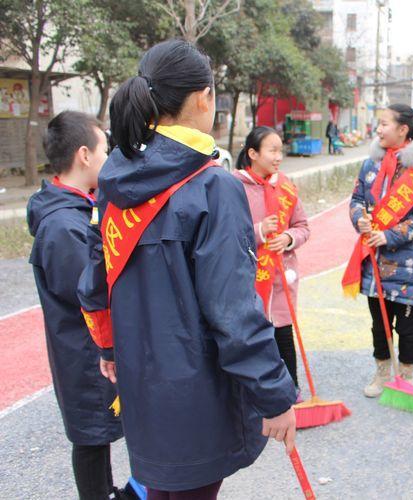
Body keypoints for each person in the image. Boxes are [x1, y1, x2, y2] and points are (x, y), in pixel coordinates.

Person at [77, 39, 297, 499]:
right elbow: (233, 310)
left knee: (159, 489)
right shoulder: (211, 186)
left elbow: (95, 283)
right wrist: (275, 395)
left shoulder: (115, 180)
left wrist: (109, 349)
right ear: (204, 97)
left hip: (140, 381)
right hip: (197, 392)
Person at [28, 111, 134, 500]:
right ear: (85, 155)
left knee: (95, 437)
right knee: (91, 438)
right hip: (84, 353)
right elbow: (88, 293)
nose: (109, 156)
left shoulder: (75, 208)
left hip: (88, 351)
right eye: (105, 148)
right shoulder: (63, 225)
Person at [342, 103, 413, 397]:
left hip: (408, 264)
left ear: (403, 130)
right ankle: (382, 372)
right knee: (378, 323)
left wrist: (388, 235)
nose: (379, 129)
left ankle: (407, 376)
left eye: (385, 123)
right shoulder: (370, 165)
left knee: (407, 325)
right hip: (374, 261)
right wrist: (359, 219)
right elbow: (357, 199)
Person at [234, 126, 310, 402]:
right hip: (250, 276)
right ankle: (256, 393)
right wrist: (259, 231)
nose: (279, 156)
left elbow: (303, 226)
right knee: (253, 335)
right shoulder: (234, 186)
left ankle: (291, 390)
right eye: (272, 150)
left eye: (281, 150)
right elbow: (227, 232)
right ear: (253, 153)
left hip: (281, 275)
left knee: (283, 332)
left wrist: (289, 237)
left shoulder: (286, 186)